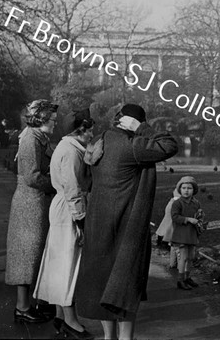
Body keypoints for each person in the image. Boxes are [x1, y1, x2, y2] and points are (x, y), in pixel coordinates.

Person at [75, 104, 178, 340]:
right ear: (132, 122)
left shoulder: (99, 140)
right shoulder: (133, 145)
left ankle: (109, 337)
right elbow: (170, 145)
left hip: (98, 222)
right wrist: (142, 128)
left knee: (102, 282)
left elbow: (85, 178)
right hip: (126, 226)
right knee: (126, 284)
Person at [33, 109, 95, 339]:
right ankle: (71, 320)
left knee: (61, 262)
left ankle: (61, 316)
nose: (91, 135)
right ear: (80, 130)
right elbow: (72, 188)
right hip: (68, 209)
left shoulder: (70, 147)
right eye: (90, 131)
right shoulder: (70, 151)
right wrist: (81, 219)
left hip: (63, 207)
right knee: (67, 263)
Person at [5, 99, 58, 324]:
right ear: (41, 119)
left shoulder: (37, 137)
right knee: (27, 255)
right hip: (30, 204)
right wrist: (57, 184)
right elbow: (32, 176)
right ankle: (22, 307)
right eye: (52, 120)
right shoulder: (30, 139)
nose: (55, 123)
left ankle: (30, 304)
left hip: (35, 202)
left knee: (32, 254)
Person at [170, 176, 206, 290]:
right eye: (184, 188)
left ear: (193, 190)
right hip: (181, 234)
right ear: (180, 189)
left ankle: (187, 277)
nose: (186, 190)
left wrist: (201, 221)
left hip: (192, 233)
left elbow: (199, 215)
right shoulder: (177, 203)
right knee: (183, 257)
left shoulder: (196, 203)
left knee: (190, 257)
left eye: (189, 188)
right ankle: (180, 280)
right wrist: (188, 219)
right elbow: (175, 217)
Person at [155, 187, 181, 269]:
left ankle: (172, 264)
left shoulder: (171, 201)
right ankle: (179, 267)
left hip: (163, 231)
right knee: (178, 248)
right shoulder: (177, 204)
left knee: (173, 247)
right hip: (169, 232)